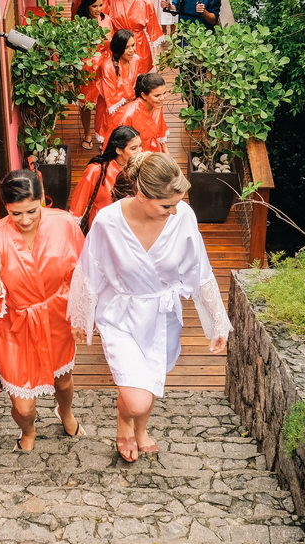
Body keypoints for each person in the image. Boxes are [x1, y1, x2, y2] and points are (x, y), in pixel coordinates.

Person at [67, 153, 231, 462]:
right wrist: (81, 316)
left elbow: (201, 270)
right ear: (142, 196)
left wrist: (217, 322)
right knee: (136, 397)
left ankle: (139, 430)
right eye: (167, 205)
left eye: (178, 203)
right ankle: (124, 419)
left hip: (163, 314)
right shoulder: (108, 221)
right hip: (120, 315)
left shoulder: (183, 216)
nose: (174, 211)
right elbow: (90, 269)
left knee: (152, 377)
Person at [0, 170, 87, 450]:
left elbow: (82, 274)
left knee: (63, 382)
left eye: (31, 211)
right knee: (24, 407)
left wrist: (83, 315)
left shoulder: (65, 225)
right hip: (13, 326)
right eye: (15, 214)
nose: (24, 220)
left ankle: (66, 412)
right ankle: (27, 430)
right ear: (5, 209)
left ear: (42, 201)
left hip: (56, 316)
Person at [69, 125, 142, 230]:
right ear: (119, 150)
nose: (140, 151)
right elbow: (78, 205)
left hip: (130, 228)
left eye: (140, 146)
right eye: (134, 148)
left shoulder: (142, 168)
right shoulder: (96, 170)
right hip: (102, 227)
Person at [75, 0, 114, 150]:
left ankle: (103, 135)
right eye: (94, 6)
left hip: (104, 66)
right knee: (86, 104)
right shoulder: (79, 24)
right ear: (87, 6)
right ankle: (87, 134)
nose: (98, 9)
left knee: (104, 104)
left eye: (100, 5)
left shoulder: (107, 20)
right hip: (86, 67)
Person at [106, 0, 163, 78]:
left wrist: (157, 58)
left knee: (140, 81)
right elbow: (107, 25)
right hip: (119, 45)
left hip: (139, 47)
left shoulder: (146, 2)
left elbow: (154, 31)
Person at [92, 29, 139, 143]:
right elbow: (111, 98)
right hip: (110, 111)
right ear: (118, 48)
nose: (132, 50)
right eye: (127, 47)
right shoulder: (107, 66)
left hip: (130, 108)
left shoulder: (135, 60)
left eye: (133, 45)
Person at [115, 72, 169, 153]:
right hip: (133, 155)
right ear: (144, 95)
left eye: (164, 93)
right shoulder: (128, 115)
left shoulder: (157, 105)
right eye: (157, 95)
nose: (162, 98)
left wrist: (166, 154)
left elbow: (161, 130)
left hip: (153, 150)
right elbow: (120, 146)